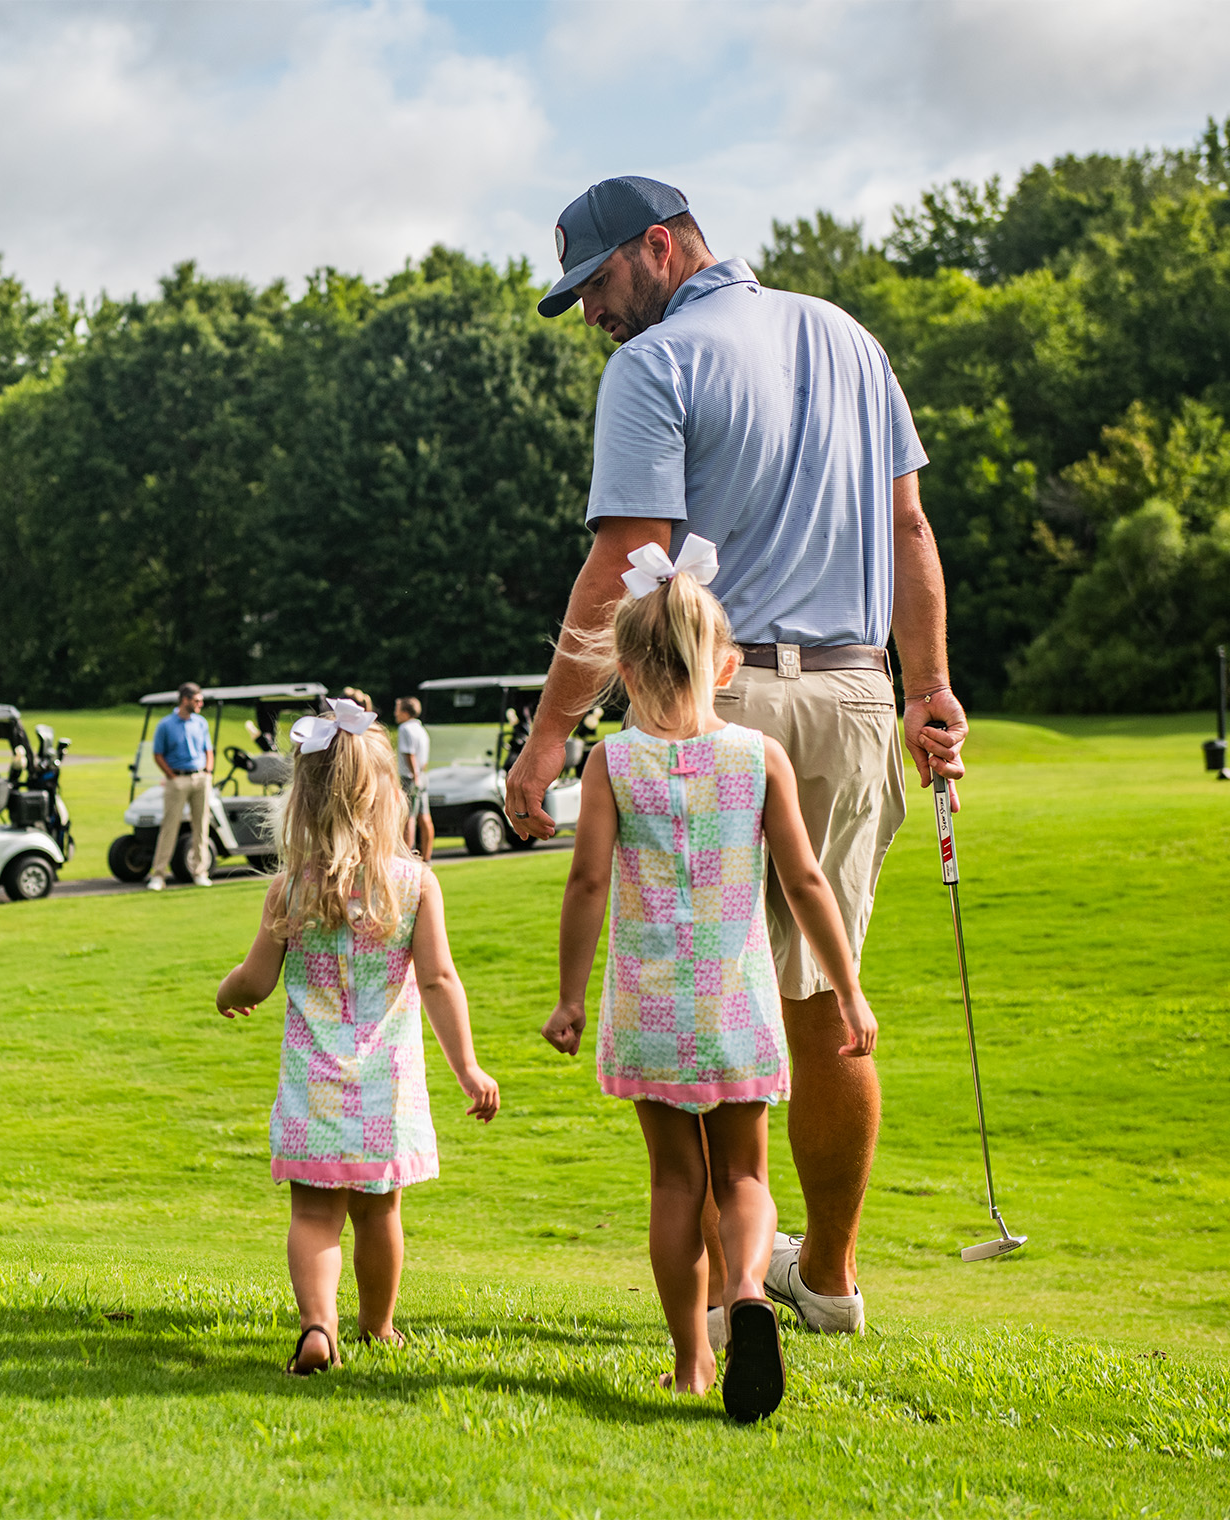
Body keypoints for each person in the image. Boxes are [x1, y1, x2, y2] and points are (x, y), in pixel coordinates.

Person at [508, 175, 968, 1338]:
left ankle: (727, 1294)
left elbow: (624, 557)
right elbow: (908, 528)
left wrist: (549, 734)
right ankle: (829, 1277)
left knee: (711, 993)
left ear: (658, 247)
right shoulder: (850, 339)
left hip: (713, 702)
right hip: (855, 694)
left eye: (597, 283)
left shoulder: (652, 366)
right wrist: (927, 691)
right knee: (817, 993)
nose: (590, 313)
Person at [543, 541, 876, 1420]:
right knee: (745, 1180)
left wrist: (570, 998)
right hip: (738, 1009)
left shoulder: (611, 764)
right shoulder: (758, 756)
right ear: (725, 666)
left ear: (621, 671)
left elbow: (587, 883)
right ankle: (751, 1293)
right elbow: (806, 883)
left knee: (672, 1185)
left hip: (650, 1012)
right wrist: (847, 990)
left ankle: (693, 1361)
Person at [215, 697, 499, 1373]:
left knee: (314, 1218)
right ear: (387, 799)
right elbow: (439, 981)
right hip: (385, 1087)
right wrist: (468, 1068)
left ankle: (319, 1326)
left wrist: (228, 993)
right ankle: (378, 1325)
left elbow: (255, 980)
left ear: (303, 803)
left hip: (313, 1085)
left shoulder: (291, 890)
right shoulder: (414, 886)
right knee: (380, 1214)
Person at [146, 682, 214, 890]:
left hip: (200, 778)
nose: (200, 704)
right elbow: (158, 754)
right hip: (177, 780)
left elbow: (208, 750)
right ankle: (158, 875)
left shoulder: (201, 723)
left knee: (201, 827)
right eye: (197, 700)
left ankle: (200, 872)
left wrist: (208, 772)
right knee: (169, 827)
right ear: (185, 700)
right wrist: (171, 776)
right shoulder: (166, 725)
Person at [395, 697, 434, 861]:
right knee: (424, 816)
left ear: (405, 713)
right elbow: (423, 760)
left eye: (397, 710)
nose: (395, 714)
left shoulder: (405, 729)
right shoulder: (421, 729)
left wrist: (415, 776)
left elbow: (409, 754)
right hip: (423, 775)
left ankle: (407, 857)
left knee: (408, 817)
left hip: (410, 777)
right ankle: (427, 856)